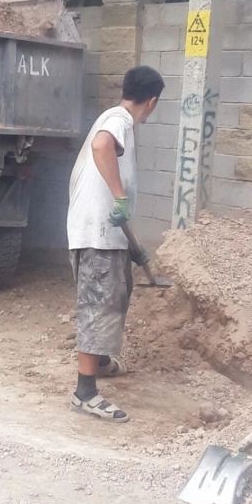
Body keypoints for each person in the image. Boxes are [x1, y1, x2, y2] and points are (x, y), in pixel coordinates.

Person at [67, 65, 165, 423]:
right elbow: (101, 146)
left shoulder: (115, 118)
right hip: (96, 235)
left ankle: (101, 361)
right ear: (152, 102)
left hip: (105, 233)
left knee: (116, 295)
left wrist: (133, 246)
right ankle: (85, 393)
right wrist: (121, 197)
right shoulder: (119, 120)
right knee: (98, 305)